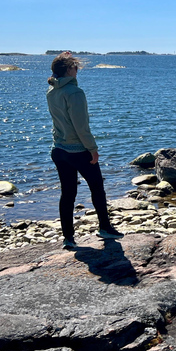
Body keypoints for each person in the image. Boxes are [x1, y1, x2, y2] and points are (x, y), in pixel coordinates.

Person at [46, 52, 123, 249]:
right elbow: (81, 127)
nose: (77, 70)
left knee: (68, 193)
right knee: (97, 187)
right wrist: (93, 149)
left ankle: (68, 238)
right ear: (68, 70)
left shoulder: (52, 91)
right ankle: (104, 227)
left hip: (59, 150)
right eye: (75, 67)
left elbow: (59, 123)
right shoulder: (75, 93)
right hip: (78, 151)